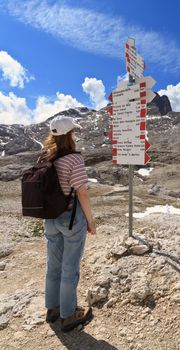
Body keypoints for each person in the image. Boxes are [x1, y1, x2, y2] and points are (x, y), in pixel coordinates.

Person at [40, 115, 96, 332]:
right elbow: (81, 192)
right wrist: (90, 222)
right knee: (70, 269)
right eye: (74, 131)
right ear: (69, 134)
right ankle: (68, 315)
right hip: (71, 218)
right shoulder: (74, 159)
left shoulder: (45, 156)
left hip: (50, 218)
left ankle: (52, 309)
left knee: (53, 266)